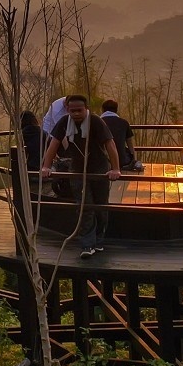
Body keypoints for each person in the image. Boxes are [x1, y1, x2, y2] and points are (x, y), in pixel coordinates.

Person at [40, 94, 121, 258]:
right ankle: (87, 244)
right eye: (72, 111)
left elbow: (110, 144)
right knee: (84, 206)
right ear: (68, 110)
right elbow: (54, 143)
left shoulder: (96, 121)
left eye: (79, 110)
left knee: (100, 206)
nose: (76, 114)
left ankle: (99, 239)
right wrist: (46, 166)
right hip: (77, 168)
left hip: (98, 168)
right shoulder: (64, 122)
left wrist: (115, 168)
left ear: (86, 109)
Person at [100, 99, 143, 172]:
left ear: (103, 110)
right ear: (116, 110)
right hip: (122, 161)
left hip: (102, 161)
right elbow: (130, 146)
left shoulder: (98, 122)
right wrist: (134, 160)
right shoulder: (124, 123)